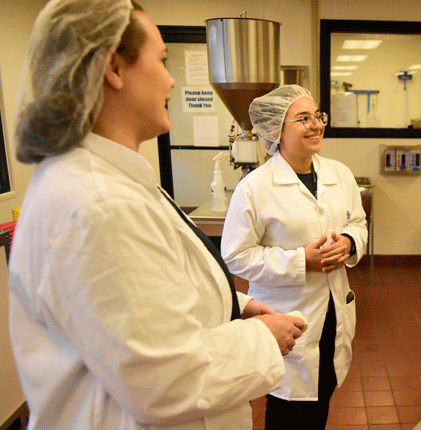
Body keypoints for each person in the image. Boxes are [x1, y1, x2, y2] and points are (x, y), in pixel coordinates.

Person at [8, 1, 306, 429]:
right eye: (162, 60)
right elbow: (166, 381)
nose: (170, 80)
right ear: (113, 67)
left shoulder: (107, 181)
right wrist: (264, 338)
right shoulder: (98, 205)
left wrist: (232, 306)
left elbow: (141, 300)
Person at [221, 84, 367, 429]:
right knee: (289, 410)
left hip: (333, 311)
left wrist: (348, 241)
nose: (316, 125)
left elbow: (358, 222)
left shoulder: (340, 174)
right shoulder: (255, 187)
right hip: (288, 317)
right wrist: (301, 261)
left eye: (317, 116)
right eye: (303, 118)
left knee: (322, 396)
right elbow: (236, 256)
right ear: (275, 130)